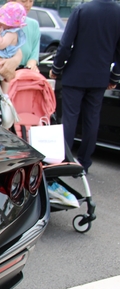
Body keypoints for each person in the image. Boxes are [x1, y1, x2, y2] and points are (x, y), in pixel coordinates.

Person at [50, 0, 120, 173]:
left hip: (75, 74)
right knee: (92, 119)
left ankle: (65, 161)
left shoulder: (82, 9)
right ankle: (84, 162)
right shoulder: (118, 12)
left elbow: (65, 44)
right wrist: (115, 76)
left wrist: (56, 68)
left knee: (69, 118)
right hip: (100, 76)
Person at [10, 0, 40, 72]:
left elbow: (34, 53)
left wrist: (30, 67)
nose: (28, 5)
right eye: (24, 1)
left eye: (31, 1)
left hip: (26, 70)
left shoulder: (34, 24)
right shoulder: (2, 23)